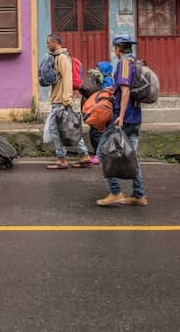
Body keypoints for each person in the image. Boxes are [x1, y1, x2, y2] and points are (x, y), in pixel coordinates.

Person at [96, 36, 147, 207]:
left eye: (114, 48)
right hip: (135, 117)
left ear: (118, 48)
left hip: (124, 118)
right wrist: (114, 90)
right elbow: (124, 90)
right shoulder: (135, 62)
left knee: (103, 152)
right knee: (131, 156)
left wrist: (121, 117)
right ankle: (139, 195)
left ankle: (115, 191)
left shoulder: (124, 64)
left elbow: (126, 92)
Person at [44, 33, 92, 170]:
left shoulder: (63, 58)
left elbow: (67, 78)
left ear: (55, 42)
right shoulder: (57, 57)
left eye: (48, 42)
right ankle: (83, 155)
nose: (47, 45)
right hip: (59, 100)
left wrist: (67, 99)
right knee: (70, 128)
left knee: (56, 129)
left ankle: (62, 158)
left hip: (61, 101)